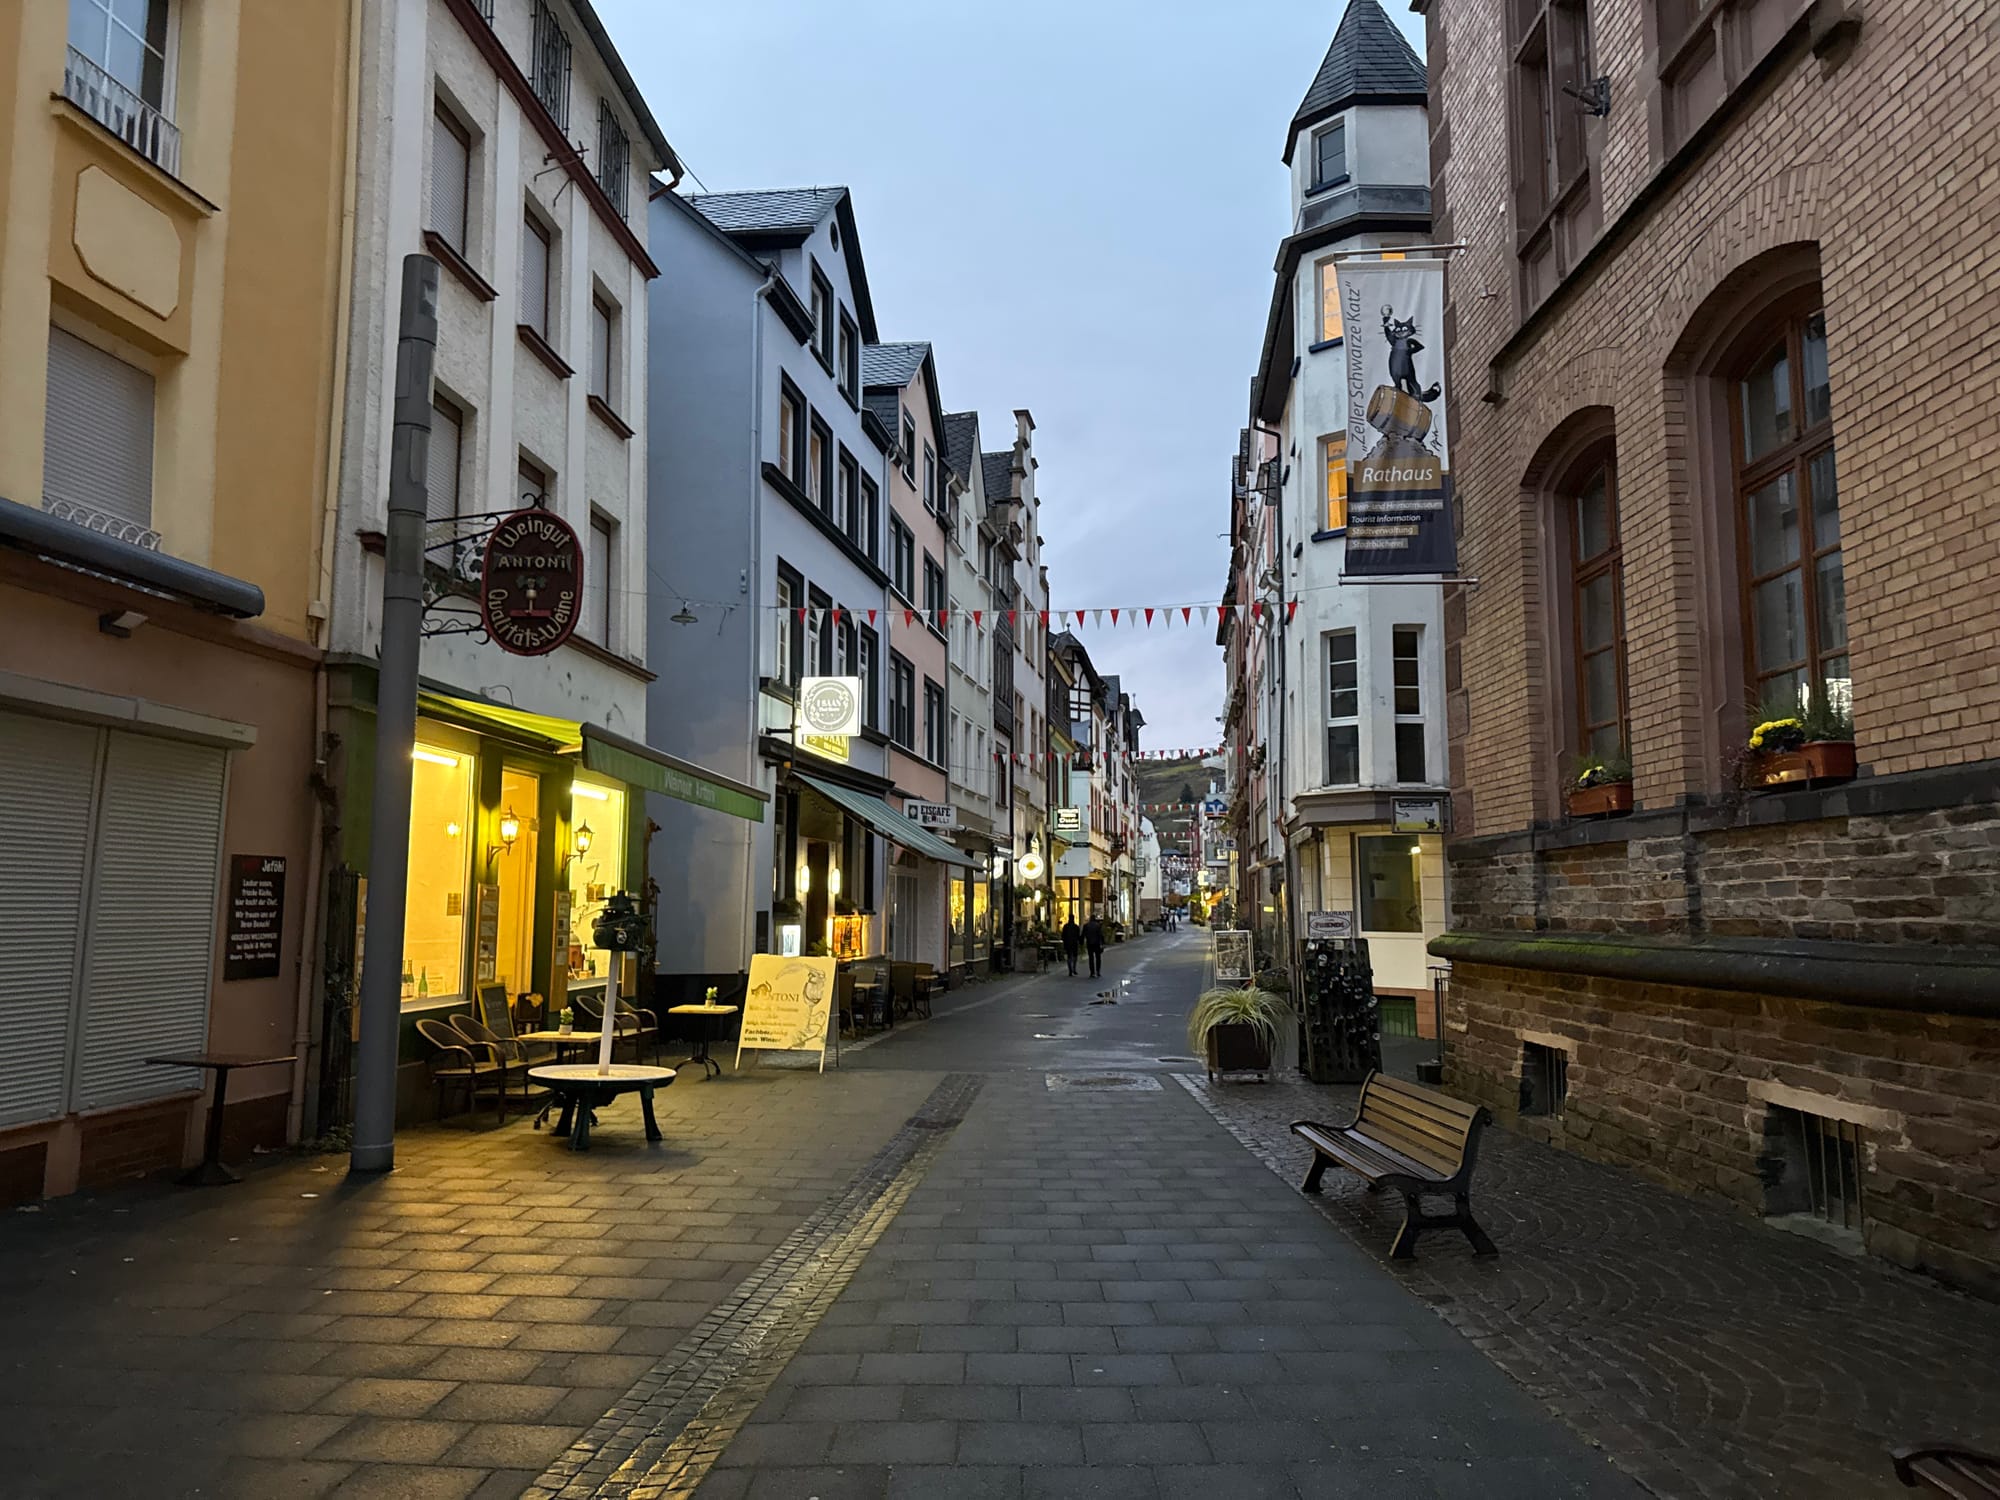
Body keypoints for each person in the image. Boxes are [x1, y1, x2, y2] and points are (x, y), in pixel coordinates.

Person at [1082, 912, 1106, 978]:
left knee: (1091, 958)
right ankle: (1098, 971)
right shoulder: (1098, 926)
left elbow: (1083, 935)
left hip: (1089, 943)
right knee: (1098, 958)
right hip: (1097, 943)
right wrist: (1102, 943)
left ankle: (1092, 972)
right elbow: (1101, 935)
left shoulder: (1086, 926)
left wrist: (1081, 942)